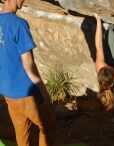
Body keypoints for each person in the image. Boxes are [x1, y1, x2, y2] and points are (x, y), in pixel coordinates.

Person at [0, 0, 55, 146]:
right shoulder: (19, 24)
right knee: (48, 127)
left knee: (21, 133)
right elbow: (28, 64)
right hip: (25, 91)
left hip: (7, 91)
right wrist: (43, 91)